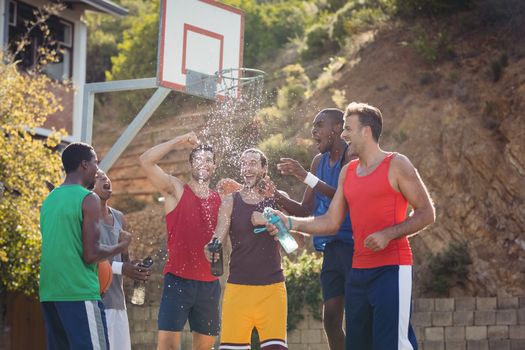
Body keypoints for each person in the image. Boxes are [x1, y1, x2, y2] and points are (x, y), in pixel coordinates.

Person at [265, 102, 435, 350]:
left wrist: (389, 233)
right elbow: (330, 222)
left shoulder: (397, 164)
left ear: (366, 131)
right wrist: (290, 222)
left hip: (392, 269)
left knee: (392, 344)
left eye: (348, 128)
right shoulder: (349, 172)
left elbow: (427, 213)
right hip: (358, 271)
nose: (343, 134)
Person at [272, 108, 354, 350]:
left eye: (319, 125)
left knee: (358, 316)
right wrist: (274, 195)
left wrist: (304, 176)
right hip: (331, 247)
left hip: (355, 246)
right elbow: (305, 209)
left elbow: (344, 196)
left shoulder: (351, 156)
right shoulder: (318, 162)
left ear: (337, 128)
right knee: (330, 319)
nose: (313, 130)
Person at [39, 142, 132, 350]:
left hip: (49, 294)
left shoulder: (49, 200)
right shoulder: (87, 198)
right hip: (78, 292)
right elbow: (91, 254)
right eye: (95, 164)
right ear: (83, 165)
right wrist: (121, 245)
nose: (97, 170)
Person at [139, 132, 221, 350]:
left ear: (214, 166)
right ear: (190, 164)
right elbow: (145, 161)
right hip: (178, 281)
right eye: (198, 160)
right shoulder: (176, 190)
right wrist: (178, 140)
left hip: (209, 284)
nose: (203, 164)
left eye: (208, 160)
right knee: (167, 348)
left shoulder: (221, 200)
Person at [205, 149, 288, 350]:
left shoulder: (278, 198)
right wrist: (210, 248)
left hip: (272, 289)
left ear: (264, 168)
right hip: (238, 290)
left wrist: (270, 219)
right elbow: (218, 235)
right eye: (243, 163)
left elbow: (293, 244)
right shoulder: (230, 201)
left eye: (252, 163)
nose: (247, 168)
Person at [93, 170, 151, 350]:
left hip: (119, 303)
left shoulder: (119, 217)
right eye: (97, 177)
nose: (104, 178)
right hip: (97, 301)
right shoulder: (86, 218)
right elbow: (88, 257)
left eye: (105, 176)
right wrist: (121, 268)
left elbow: (124, 258)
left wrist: (134, 267)